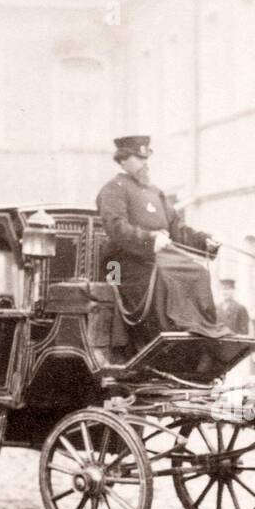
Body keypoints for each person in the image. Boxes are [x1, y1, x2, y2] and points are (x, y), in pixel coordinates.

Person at [95, 135, 230, 350]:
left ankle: (200, 330)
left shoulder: (155, 192)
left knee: (198, 272)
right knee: (162, 277)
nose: (145, 163)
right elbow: (116, 227)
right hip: (121, 264)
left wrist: (205, 241)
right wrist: (150, 239)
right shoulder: (113, 189)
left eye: (146, 158)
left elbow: (178, 229)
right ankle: (162, 337)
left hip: (159, 257)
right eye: (139, 158)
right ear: (122, 160)